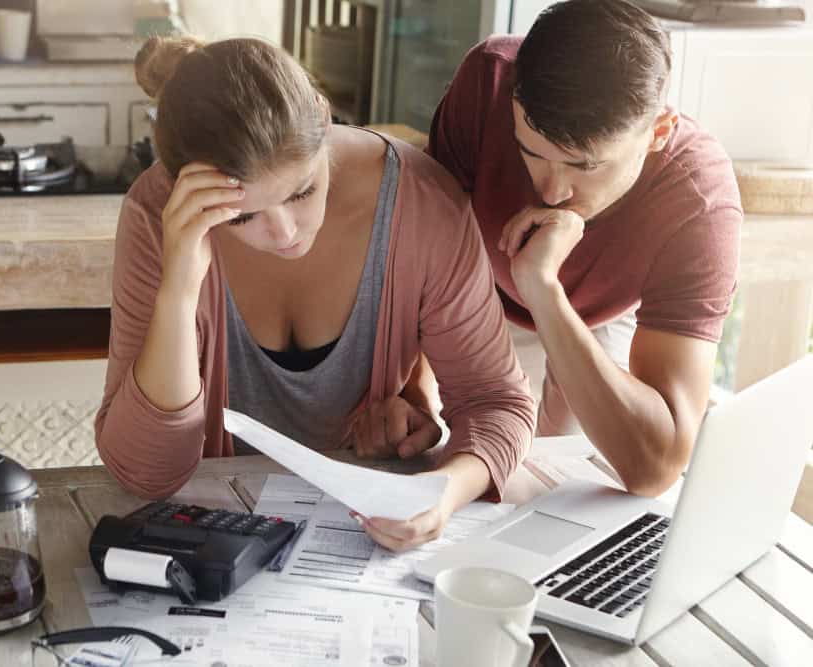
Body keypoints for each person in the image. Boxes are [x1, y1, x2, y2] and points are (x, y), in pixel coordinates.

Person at [94, 35, 536, 551]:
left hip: (356, 548)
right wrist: (179, 289)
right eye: (242, 216)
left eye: (301, 191)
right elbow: (146, 472)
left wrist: (442, 493)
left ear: (323, 121)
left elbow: (496, 401)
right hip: (218, 540)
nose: (284, 233)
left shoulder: (421, 201)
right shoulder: (157, 215)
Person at [413, 0, 741, 496]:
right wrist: (412, 394)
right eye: (532, 153)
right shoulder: (488, 82)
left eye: (585, 167)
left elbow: (656, 467)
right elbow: (416, 252)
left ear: (658, 132)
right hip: (471, 282)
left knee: (562, 479)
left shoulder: (700, 202)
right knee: (457, 464)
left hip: (601, 315)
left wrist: (544, 288)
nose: (551, 193)